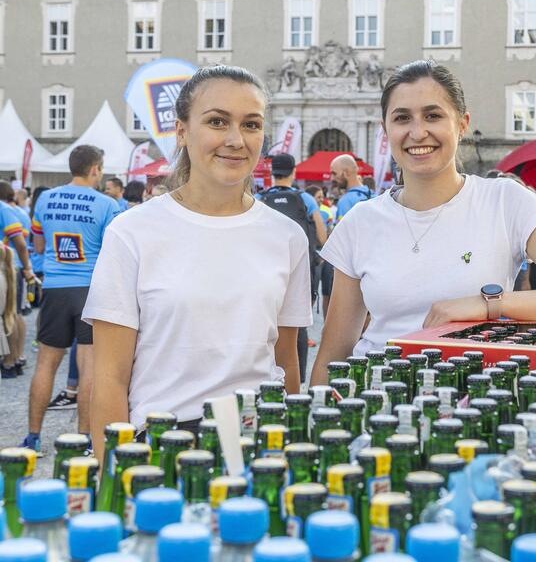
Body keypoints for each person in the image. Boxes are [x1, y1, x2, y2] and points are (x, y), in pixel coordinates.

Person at [309, 60, 536, 381]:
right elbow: (333, 353)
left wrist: (488, 305)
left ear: (462, 124)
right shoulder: (361, 221)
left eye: (433, 116)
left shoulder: (504, 201)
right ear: (386, 130)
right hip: (378, 400)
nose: (417, 132)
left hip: (473, 393)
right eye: (402, 118)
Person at [84, 65, 311, 457]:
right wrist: (111, 478)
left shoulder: (287, 236)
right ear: (183, 131)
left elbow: (286, 362)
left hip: (257, 441)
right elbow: (108, 379)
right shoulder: (132, 232)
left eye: (251, 125)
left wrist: (287, 449)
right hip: (163, 445)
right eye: (217, 122)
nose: (236, 139)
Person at [22, 146, 120, 452]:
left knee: (45, 364)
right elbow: (113, 255)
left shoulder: (46, 199)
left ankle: (33, 436)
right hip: (91, 289)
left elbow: (38, 246)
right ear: (95, 169)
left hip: (55, 287)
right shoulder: (108, 204)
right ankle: (84, 439)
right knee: (89, 366)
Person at [256, 152, 327, 382]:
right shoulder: (306, 199)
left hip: (264, 270)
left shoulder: (259, 198)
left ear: (272, 172)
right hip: (300, 267)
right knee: (297, 325)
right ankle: (298, 377)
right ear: (293, 172)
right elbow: (322, 236)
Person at [320, 154, 373, 316]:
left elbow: (343, 240)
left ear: (346, 172)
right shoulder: (374, 195)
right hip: (372, 262)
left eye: (334, 173)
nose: (332, 178)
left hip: (351, 265)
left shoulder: (345, 201)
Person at [0, 182, 33, 379]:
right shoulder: (14, 210)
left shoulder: (4, 210)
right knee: (15, 314)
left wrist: (27, 267)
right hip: (12, 267)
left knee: (9, 315)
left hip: (8, 268)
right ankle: (17, 357)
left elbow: (20, 243)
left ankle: (10, 361)